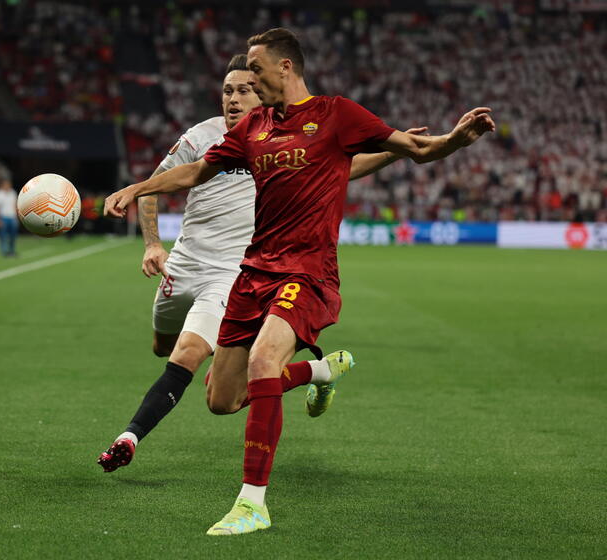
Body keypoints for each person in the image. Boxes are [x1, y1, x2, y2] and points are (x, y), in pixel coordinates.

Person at [104, 28, 495, 535]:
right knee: (222, 399)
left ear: (285, 67)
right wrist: (140, 187)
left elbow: (412, 147)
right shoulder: (255, 129)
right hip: (253, 272)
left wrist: (452, 141)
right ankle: (319, 373)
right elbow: (197, 172)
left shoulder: (338, 115)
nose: (248, 79)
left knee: (266, 360)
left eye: (256, 67)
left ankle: (252, 504)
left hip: (307, 271)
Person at [97, 54, 427, 473]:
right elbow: (159, 186)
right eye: (227, 91)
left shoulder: (284, 135)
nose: (233, 99)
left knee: (188, 356)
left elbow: (341, 164)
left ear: (263, 91)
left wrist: (392, 151)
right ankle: (318, 370)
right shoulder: (202, 136)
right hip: (182, 265)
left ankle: (129, 438)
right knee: (164, 348)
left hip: (231, 275)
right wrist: (152, 245)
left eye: (244, 90)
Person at [0, 179, 18, 257]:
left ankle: (12, 250)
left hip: (12, 217)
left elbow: (15, 205)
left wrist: (16, 217)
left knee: (13, 235)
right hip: (3, 217)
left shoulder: (13, 193)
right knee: (3, 235)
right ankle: (4, 251)